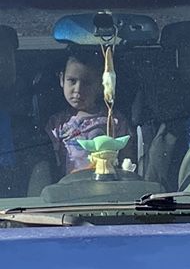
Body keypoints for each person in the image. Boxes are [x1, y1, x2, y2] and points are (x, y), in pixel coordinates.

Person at [46, 46, 135, 176]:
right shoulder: (57, 123)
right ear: (61, 79)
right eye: (72, 81)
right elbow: (50, 163)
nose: (78, 89)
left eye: (87, 83)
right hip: (69, 189)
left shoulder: (114, 120)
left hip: (109, 187)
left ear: (101, 85)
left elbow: (127, 160)